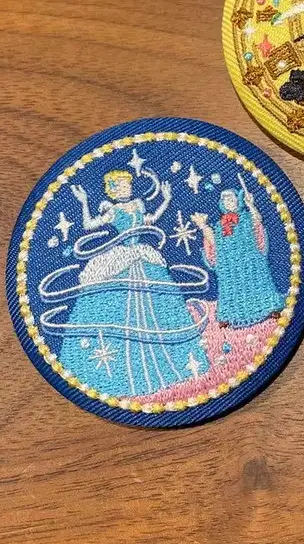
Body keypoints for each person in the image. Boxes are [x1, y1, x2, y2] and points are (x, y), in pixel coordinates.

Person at [39, 169, 210, 399]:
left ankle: (173, 364)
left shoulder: (138, 204)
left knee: (160, 306)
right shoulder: (112, 210)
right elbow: (88, 225)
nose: (125, 188)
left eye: (127, 184)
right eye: (120, 186)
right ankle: (125, 375)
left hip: (142, 256)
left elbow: (151, 220)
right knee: (119, 305)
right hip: (122, 259)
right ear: (112, 190)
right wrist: (84, 201)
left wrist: (167, 199)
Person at [191, 179, 285, 330]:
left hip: (250, 259)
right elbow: (214, 242)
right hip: (229, 264)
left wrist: (251, 205)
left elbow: (257, 221)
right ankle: (228, 316)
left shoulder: (246, 217)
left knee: (258, 281)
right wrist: (203, 225)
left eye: (231, 199)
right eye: (224, 200)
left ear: (238, 200)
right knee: (229, 288)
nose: (227, 202)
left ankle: (269, 307)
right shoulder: (220, 225)